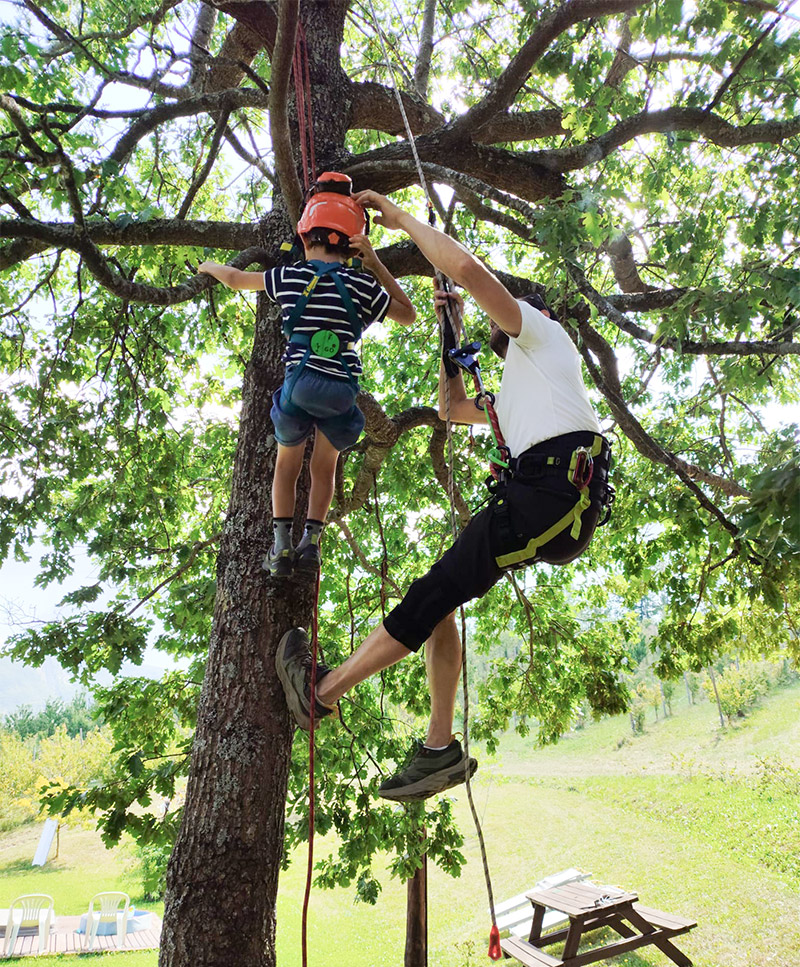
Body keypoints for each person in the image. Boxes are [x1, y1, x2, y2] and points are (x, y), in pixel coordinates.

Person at [275, 190, 614, 802]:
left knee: (432, 592)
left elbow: (467, 270)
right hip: (541, 497)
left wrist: (402, 220)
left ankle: (320, 693)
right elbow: (451, 408)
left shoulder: (545, 337)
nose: (499, 321)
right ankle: (438, 749)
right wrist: (448, 330)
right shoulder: (517, 393)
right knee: (439, 601)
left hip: (553, 491)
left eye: (502, 317)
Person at [199, 174, 415, 576]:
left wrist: (208, 266)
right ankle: (311, 543)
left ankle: (281, 546)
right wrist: (376, 263)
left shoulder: (291, 276)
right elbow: (408, 314)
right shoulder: (362, 284)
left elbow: (235, 279)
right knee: (324, 468)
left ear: (305, 235)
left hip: (298, 386)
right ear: (352, 243)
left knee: (288, 465)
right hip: (341, 392)